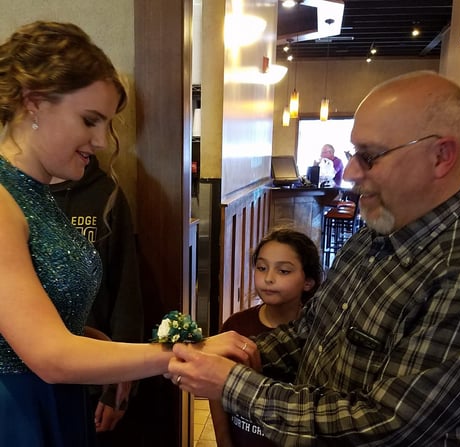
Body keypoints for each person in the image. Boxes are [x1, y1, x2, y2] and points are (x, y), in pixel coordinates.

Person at [167, 71, 460, 446]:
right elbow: (312, 332)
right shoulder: (375, 233)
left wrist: (232, 383)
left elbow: (387, 423)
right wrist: (245, 349)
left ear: (442, 156)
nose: (352, 172)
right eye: (353, 154)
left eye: (370, 156)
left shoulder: (456, 268)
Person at [0, 21, 254, 446]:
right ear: (34, 103)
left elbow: (39, 317)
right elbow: (47, 356)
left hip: (55, 399)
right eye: (90, 120)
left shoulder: (38, 195)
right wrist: (180, 354)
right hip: (17, 411)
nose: (102, 140)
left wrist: (109, 352)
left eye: (107, 123)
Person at [50, 155, 144, 443]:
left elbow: (126, 296)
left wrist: (119, 383)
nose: (99, 140)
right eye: (88, 120)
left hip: (92, 377)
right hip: (26, 378)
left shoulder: (106, 193)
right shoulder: (13, 194)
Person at [210, 228, 322, 447]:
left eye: (283, 271)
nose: (268, 278)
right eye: (262, 268)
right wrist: (223, 440)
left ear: (308, 281)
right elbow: (216, 388)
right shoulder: (235, 326)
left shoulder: (315, 331)